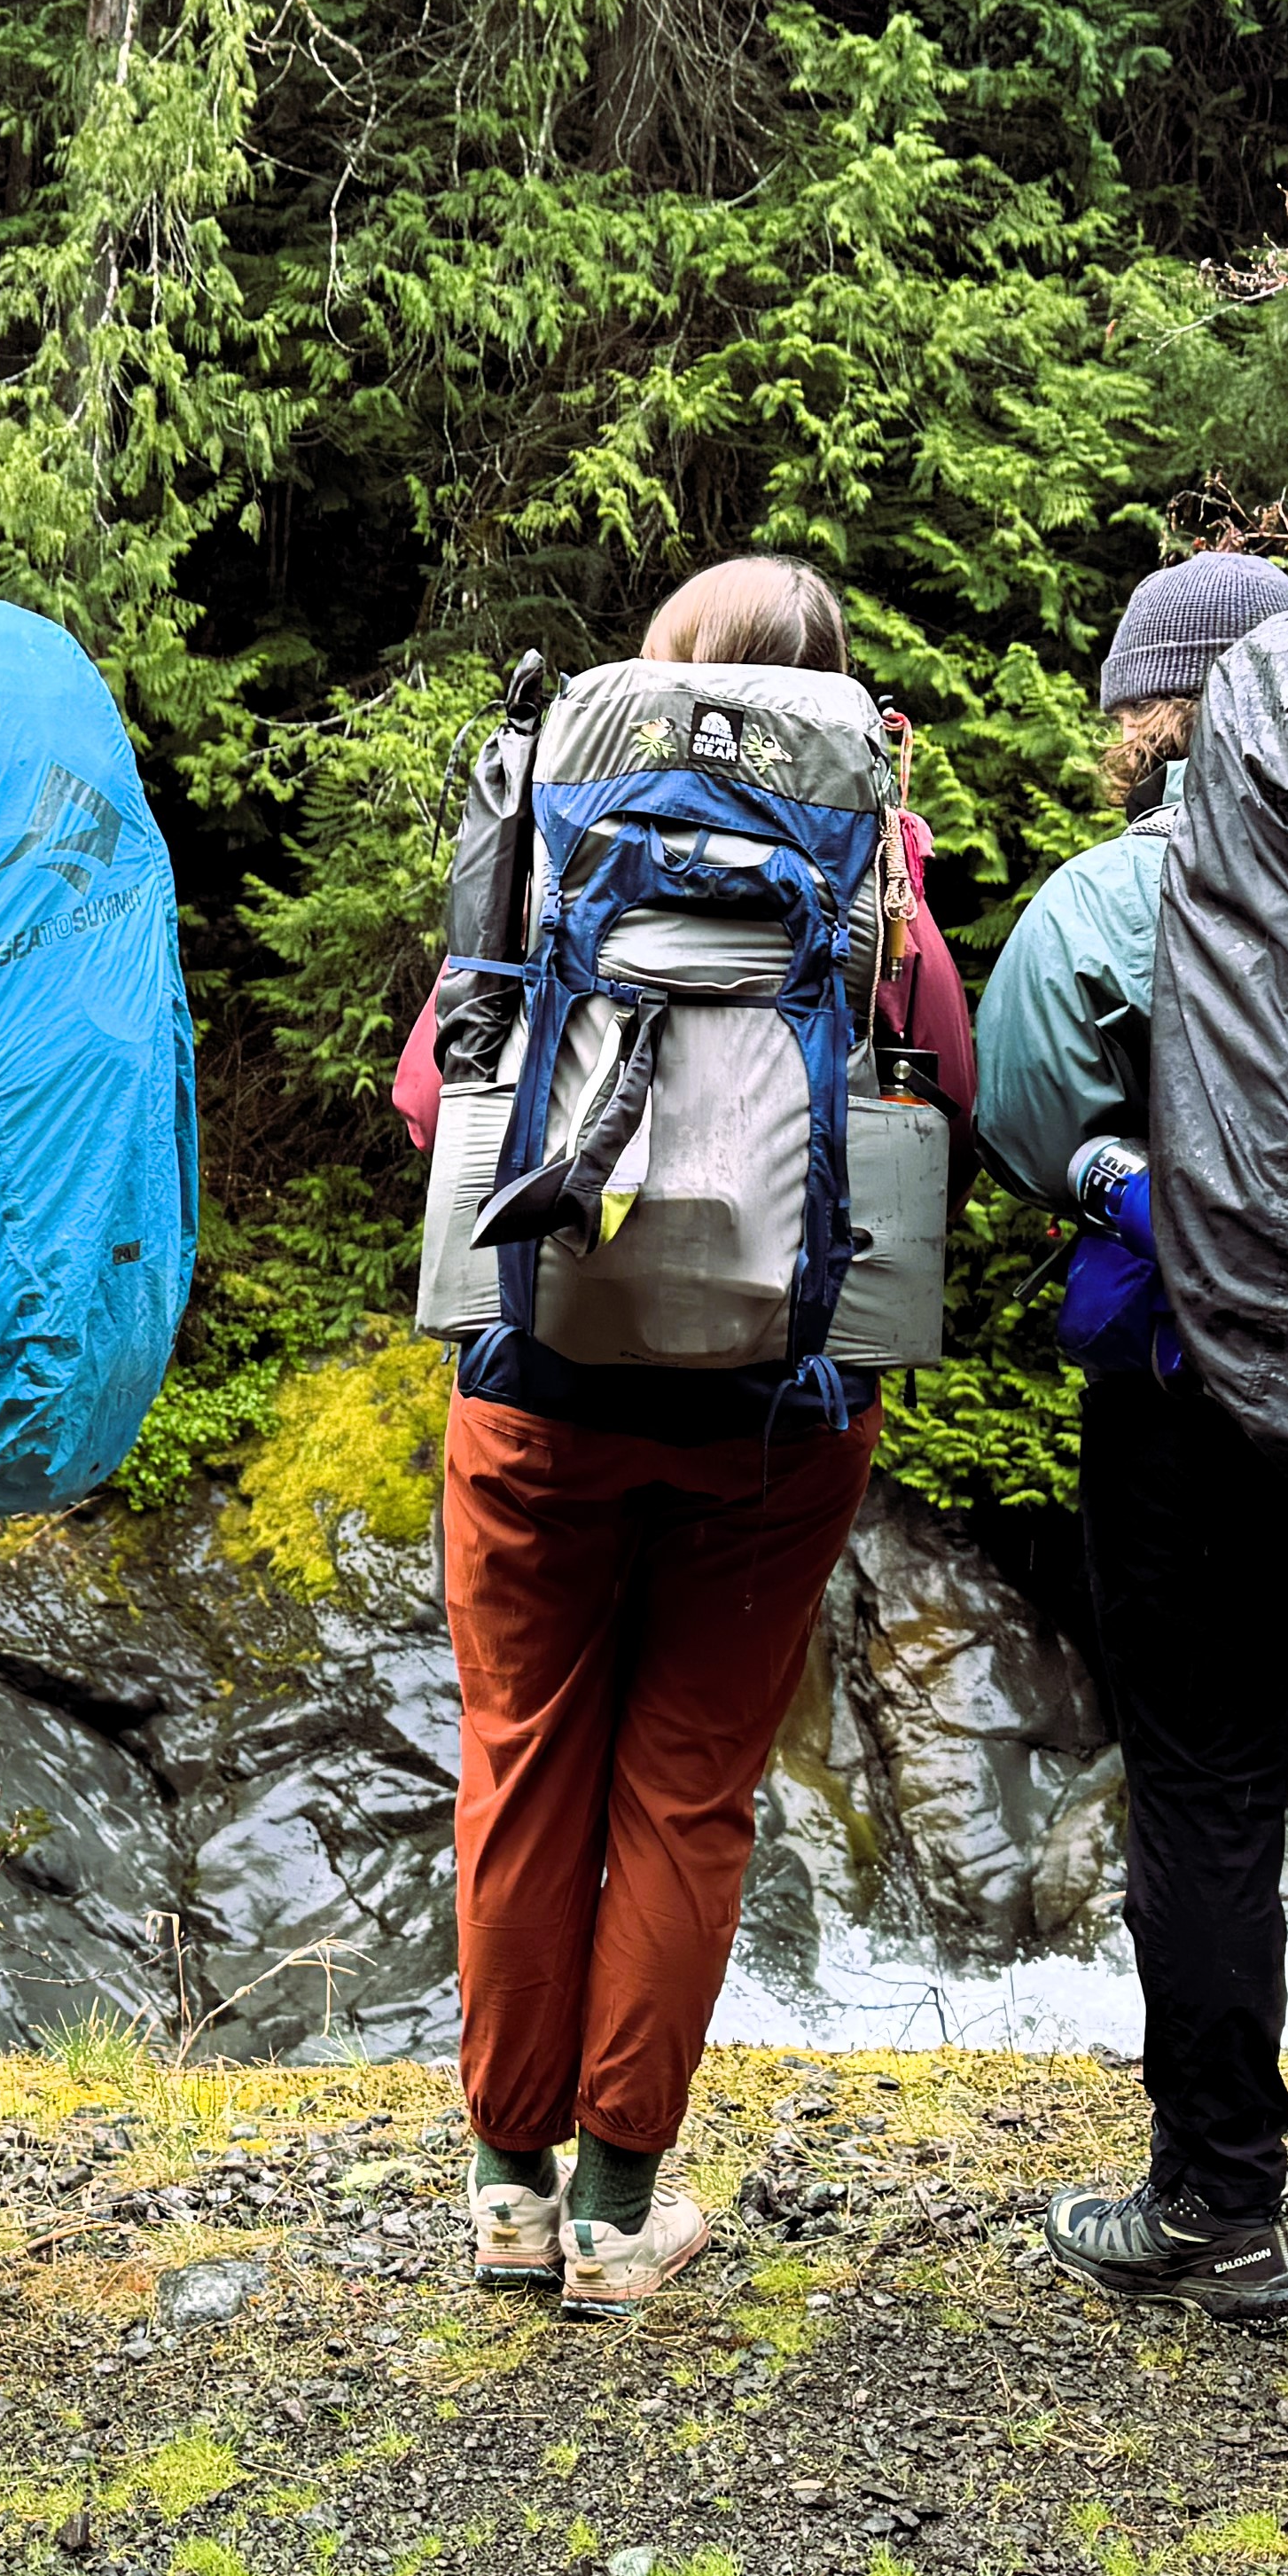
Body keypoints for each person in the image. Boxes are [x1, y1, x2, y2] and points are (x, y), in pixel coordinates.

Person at [409, 557, 976, 2319]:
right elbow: (946, 1097)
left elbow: (437, 1095)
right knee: (686, 1789)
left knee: (520, 1760)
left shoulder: (562, 825)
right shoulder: (865, 862)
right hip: (775, 1416)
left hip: (540, 1382)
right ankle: (616, 2215)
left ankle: (506, 2195)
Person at [972, 551, 1288, 2329]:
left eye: (1127, 704)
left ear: (1171, 711)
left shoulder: (1113, 901)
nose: (1112, 733)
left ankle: (1221, 2205)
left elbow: (1025, 1121)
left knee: (1201, 1784)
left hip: (1196, 1400)